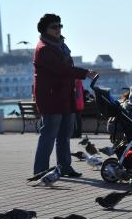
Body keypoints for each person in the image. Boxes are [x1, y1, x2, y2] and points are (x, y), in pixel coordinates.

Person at [32, 13, 97, 177]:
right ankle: (41, 170)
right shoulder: (44, 49)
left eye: (60, 26)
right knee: (49, 135)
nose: (58, 29)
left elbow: (66, 69)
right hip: (51, 97)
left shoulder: (60, 45)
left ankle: (65, 166)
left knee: (64, 135)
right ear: (45, 29)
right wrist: (85, 73)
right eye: (54, 27)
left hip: (65, 96)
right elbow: (62, 69)